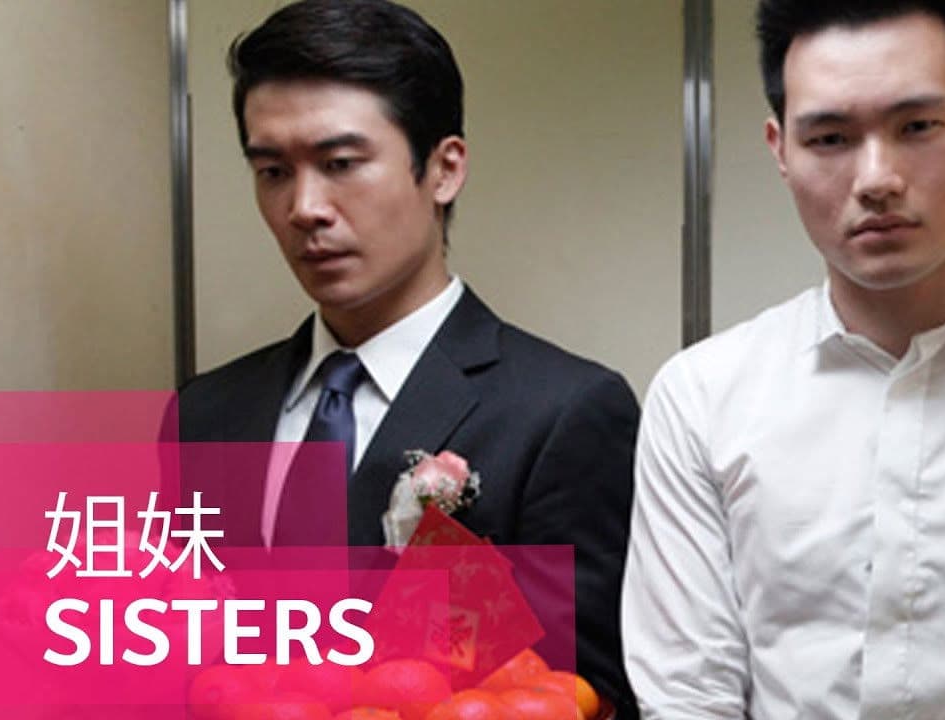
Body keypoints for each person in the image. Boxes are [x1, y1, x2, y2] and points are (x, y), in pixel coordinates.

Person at [621, 1, 945, 717]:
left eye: (917, 126)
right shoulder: (701, 397)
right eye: (830, 138)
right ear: (780, 150)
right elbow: (689, 697)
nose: (877, 178)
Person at [176, 0, 638, 713]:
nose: (304, 207)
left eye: (340, 164)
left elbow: (587, 693)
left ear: (444, 169)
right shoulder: (205, 414)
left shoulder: (562, 413)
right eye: (272, 171)